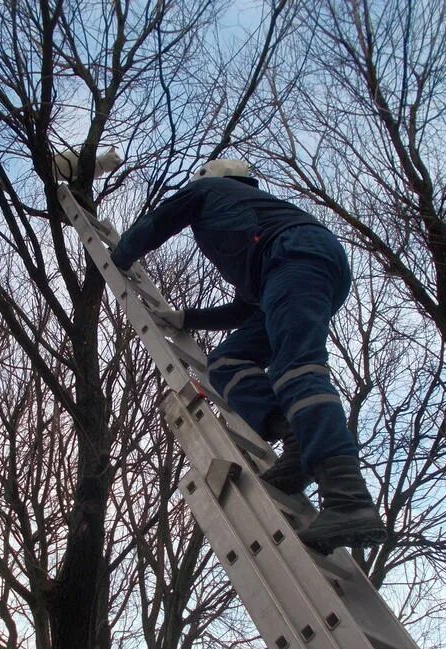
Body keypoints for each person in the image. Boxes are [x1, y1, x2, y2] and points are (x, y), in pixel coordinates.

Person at [110, 159, 387, 552]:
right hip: (290, 270)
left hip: (293, 257)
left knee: (297, 367)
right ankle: (296, 441)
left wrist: (118, 255)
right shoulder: (250, 216)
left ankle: (347, 496)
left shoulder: (210, 192)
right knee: (227, 362)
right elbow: (244, 308)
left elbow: (160, 220)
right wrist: (187, 317)